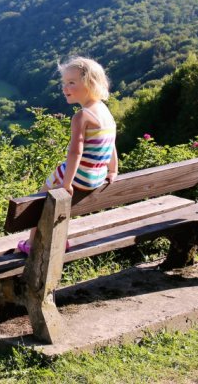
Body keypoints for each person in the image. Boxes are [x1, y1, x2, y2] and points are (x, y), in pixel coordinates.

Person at [17, 56, 118, 255]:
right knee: (56, 199)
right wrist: (113, 170)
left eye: (71, 82)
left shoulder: (82, 116)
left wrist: (67, 183)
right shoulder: (105, 112)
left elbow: (75, 152)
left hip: (79, 176)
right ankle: (59, 238)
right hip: (97, 177)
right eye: (64, 83)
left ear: (90, 83)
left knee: (41, 198)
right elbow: (111, 143)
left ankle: (31, 243)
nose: (65, 88)